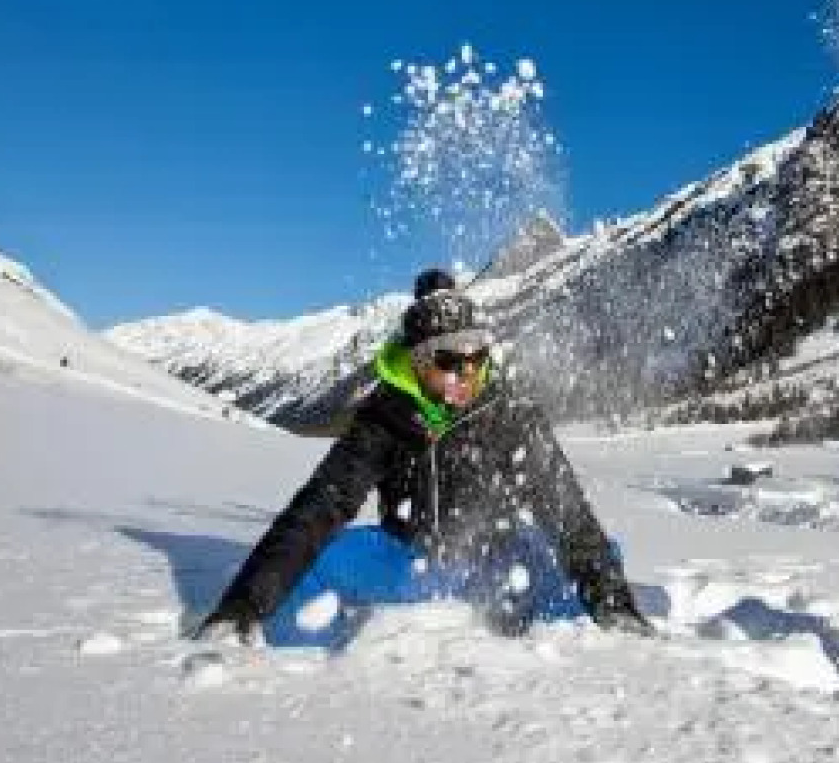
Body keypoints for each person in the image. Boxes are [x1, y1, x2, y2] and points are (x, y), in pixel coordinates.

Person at [195, 268, 653, 648]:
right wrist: (243, 605)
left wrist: (613, 602)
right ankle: (306, 656)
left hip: (501, 556)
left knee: (601, 557)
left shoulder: (512, 414)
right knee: (314, 561)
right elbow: (318, 508)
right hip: (411, 559)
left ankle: (575, 643)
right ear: (417, 359)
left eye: (476, 354)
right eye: (448, 358)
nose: (466, 371)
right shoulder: (383, 418)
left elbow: (567, 513)